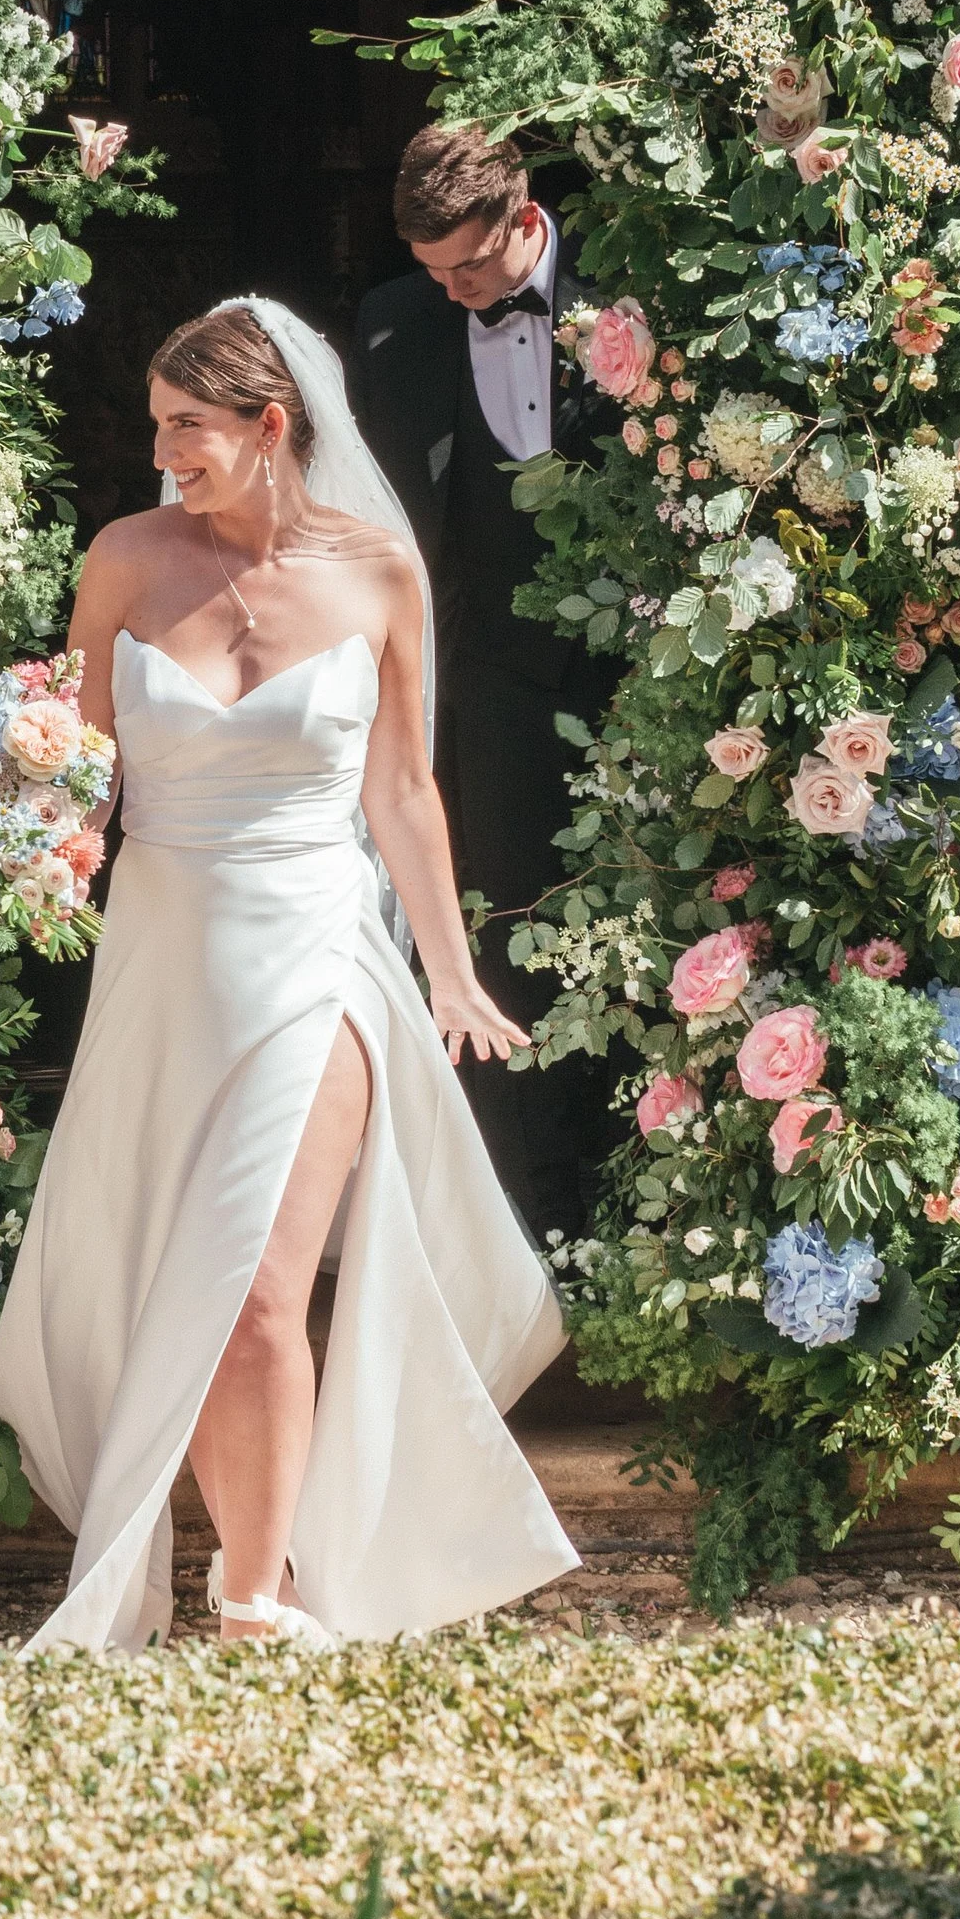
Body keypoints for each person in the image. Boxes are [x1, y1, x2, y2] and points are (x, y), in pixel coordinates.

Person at [0, 298, 576, 1651]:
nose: (163, 453)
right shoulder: (127, 559)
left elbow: (408, 794)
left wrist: (451, 973)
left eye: (187, 428)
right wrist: (2, 845)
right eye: (152, 427)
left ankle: (257, 1588)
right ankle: (248, 1563)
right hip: (162, 957)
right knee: (175, 1275)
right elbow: (75, 767)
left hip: (318, 945)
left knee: (261, 1279)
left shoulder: (376, 572)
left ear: (269, 426)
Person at [349, 124, 611, 1245]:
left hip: (661, 677)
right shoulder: (392, 325)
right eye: (432, 272)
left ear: (523, 216)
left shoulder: (636, 286)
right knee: (510, 932)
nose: (453, 290)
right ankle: (542, 1217)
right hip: (496, 688)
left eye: (470, 267)